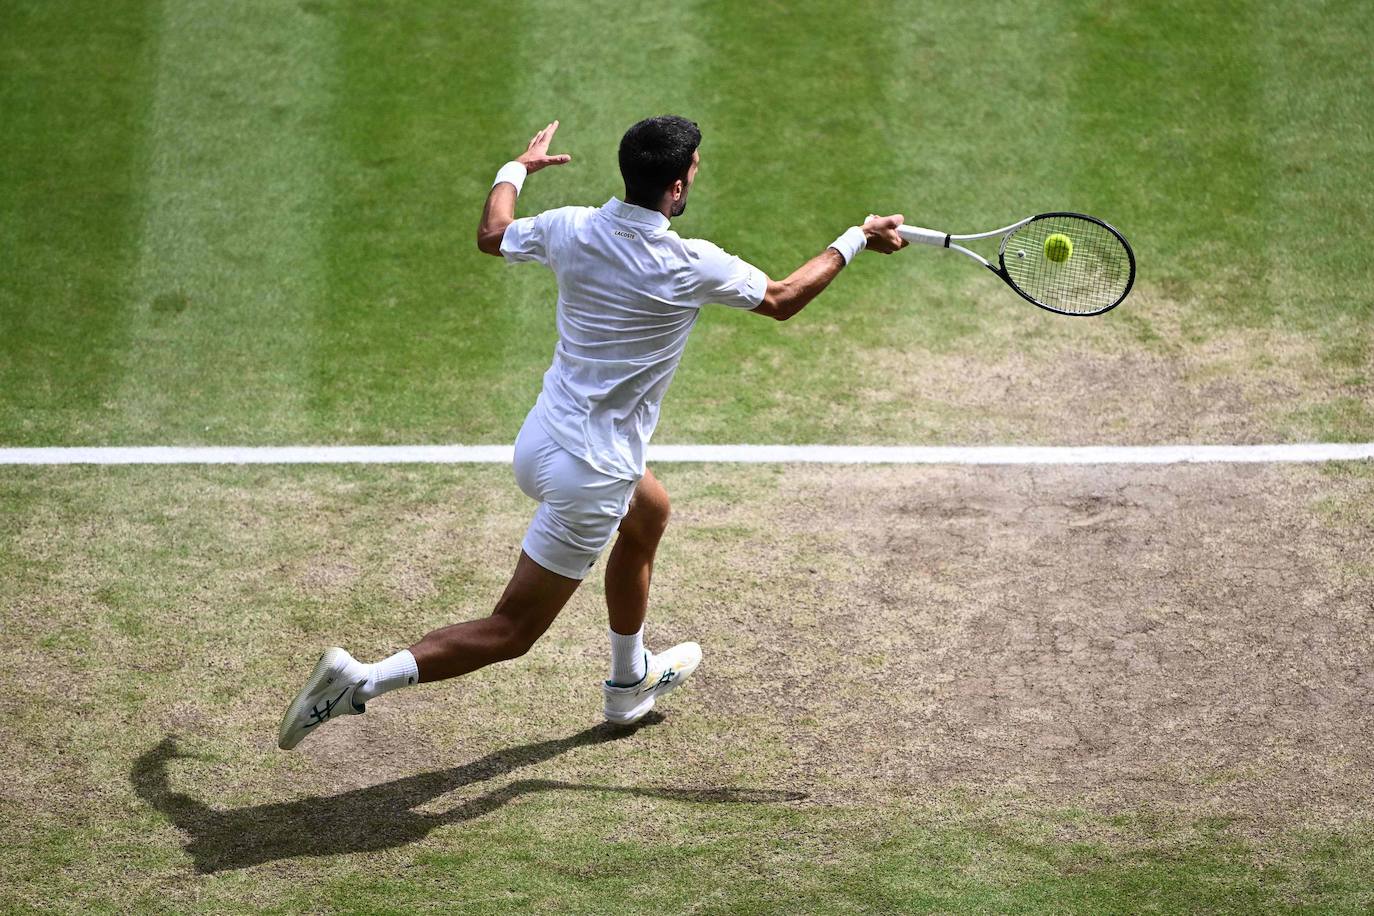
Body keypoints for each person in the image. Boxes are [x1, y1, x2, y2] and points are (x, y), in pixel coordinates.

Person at [278, 116, 908, 750]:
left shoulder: (571, 226)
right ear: (677, 189)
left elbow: (492, 234)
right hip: (593, 473)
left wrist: (517, 169)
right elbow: (783, 297)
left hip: (541, 440)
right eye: (694, 167)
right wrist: (854, 237)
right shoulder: (690, 263)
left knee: (649, 513)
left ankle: (629, 680)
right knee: (512, 630)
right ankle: (359, 682)